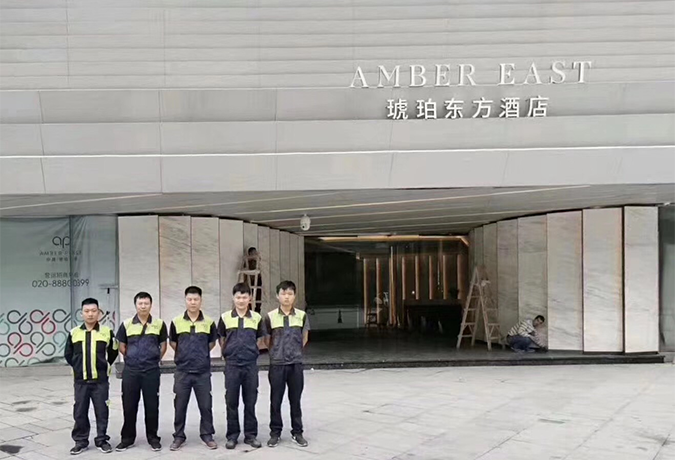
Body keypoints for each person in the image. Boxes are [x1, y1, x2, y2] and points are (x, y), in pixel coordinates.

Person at [64, 298, 119, 455]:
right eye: (87, 311)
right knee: (80, 411)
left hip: (100, 381)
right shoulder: (74, 333)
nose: (90, 314)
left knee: (102, 411)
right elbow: (68, 354)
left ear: (98, 313)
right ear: (81, 313)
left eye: (93, 311)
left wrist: (104, 366)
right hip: (80, 381)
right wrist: (78, 367)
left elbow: (113, 351)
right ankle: (81, 441)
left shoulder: (106, 332)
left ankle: (102, 440)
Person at [115, 292, 168, 452]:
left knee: (152, 406)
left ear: (151, 305)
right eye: (140, 303)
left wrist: (155, 358)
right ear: (136, 305)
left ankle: (153, 438)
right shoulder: (126, 324)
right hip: (131, 371)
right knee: (129, 405)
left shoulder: (159, 324)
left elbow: (163, 345)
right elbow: (121, 345)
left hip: (151, 371)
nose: (143, 306)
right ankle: (127, 439)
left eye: (146, 303)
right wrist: (131, 357)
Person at [217, 283, 267, 450]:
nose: (241, 300)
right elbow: (222, 338)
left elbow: (259, 339)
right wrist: (228, 352)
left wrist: (251, 351)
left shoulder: (256, 318)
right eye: (238, 297)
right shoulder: (225, 317)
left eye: (244, 297)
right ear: (233, 298)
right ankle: (232, 436)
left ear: (249, 298)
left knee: (250, 401)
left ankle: (250, 435)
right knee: (231, 401)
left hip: (250, 365)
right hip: (232, 365)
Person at [169, 286, 218, 451]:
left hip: (202, 371)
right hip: (182, 371)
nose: (193, 302)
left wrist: (200, 355)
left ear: (201, 301)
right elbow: (173, 342)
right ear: (185, 300)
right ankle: (179, 436)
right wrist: (184, 354)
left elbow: (211, 343)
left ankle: (207, 435)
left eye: (196, 299)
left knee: (206, 405)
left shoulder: (209, 322)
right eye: (189, 299)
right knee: (180, 406)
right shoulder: (176, 321)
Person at [264, 280, 310, 448]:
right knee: (275, 400)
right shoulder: (270, 317)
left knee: (295, 400)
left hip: (295, 364)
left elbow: (304, 338)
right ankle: (275, 433)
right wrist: (277, 352)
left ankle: (297, 432)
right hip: (277, 364)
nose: (286, 297)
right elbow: (267, 340)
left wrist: (295, 351)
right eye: (283, 293)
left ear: (294, 296)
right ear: (277, 296)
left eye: (290, 294)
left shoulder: (301, 315)